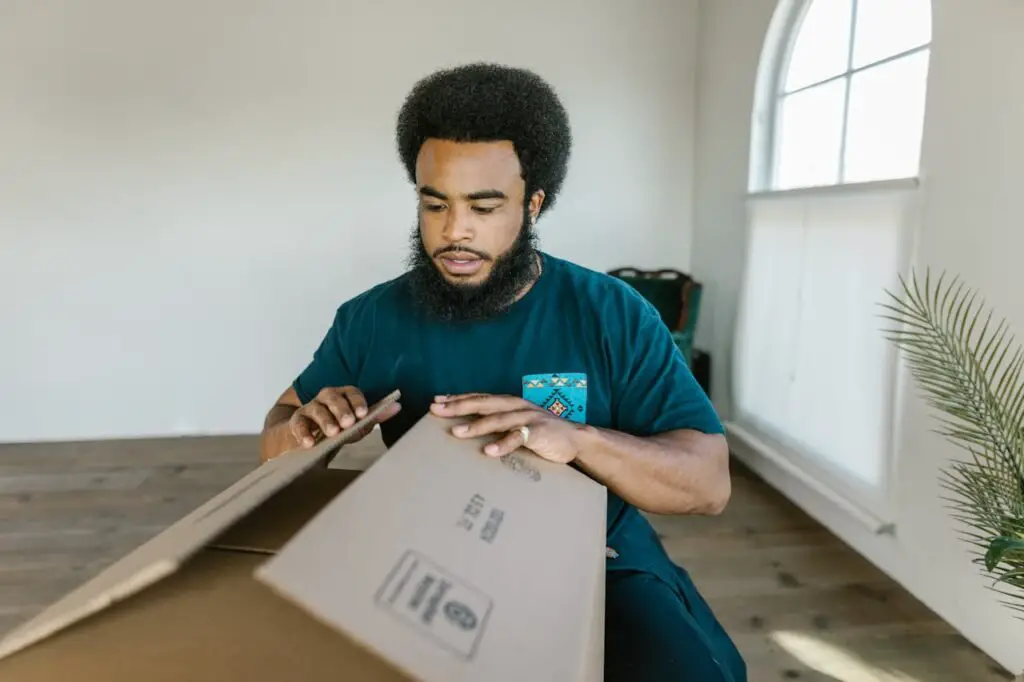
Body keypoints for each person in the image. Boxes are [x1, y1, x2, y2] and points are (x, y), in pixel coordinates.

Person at [259, 62, 747, 682]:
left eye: (483, 207)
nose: (454, 232)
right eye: (434, 204)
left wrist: (577, 439)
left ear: (533, 203)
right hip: (427, 558)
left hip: (596, 559)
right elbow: (275, 437)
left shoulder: (612, 313)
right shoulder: (370, 319)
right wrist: (306, 429)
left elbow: (709, 484)